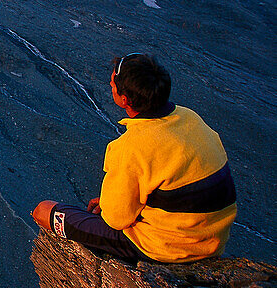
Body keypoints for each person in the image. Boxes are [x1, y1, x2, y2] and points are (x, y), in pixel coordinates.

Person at [33, 53, 236, 263]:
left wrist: (112, 205)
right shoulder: (190, 117)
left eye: (112, 85)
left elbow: (115, 219)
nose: (110, 86)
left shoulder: (132, 146)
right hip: (212, 241)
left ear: (125, 100)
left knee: (44, 210)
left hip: (166, 248)